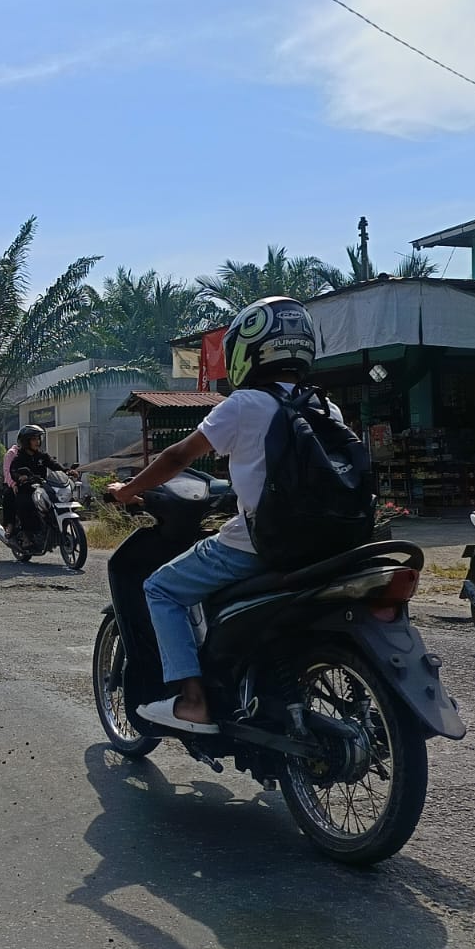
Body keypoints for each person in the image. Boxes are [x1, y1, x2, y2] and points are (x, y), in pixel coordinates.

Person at [110, 296, 324, 734]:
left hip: (261, 547)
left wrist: (128, 491)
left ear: (248, 351)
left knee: (160, 588)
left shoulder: (244, 404)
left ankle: (193, 701)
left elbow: (177, 457)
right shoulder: (324, 407)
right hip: (326, 545)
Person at [2, 424, 64, 541]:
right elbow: (12, 471)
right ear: (26, 441)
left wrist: (67, 471)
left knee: (57, 498)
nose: (37, 442)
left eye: (38, 439)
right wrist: (19, 478)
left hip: (42, 487)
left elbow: (54, 465)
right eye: (34, 439)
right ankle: (26, 534)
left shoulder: (42, 456)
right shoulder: (18, 457)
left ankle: (54, 527)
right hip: (26, 488)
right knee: (24, 502)